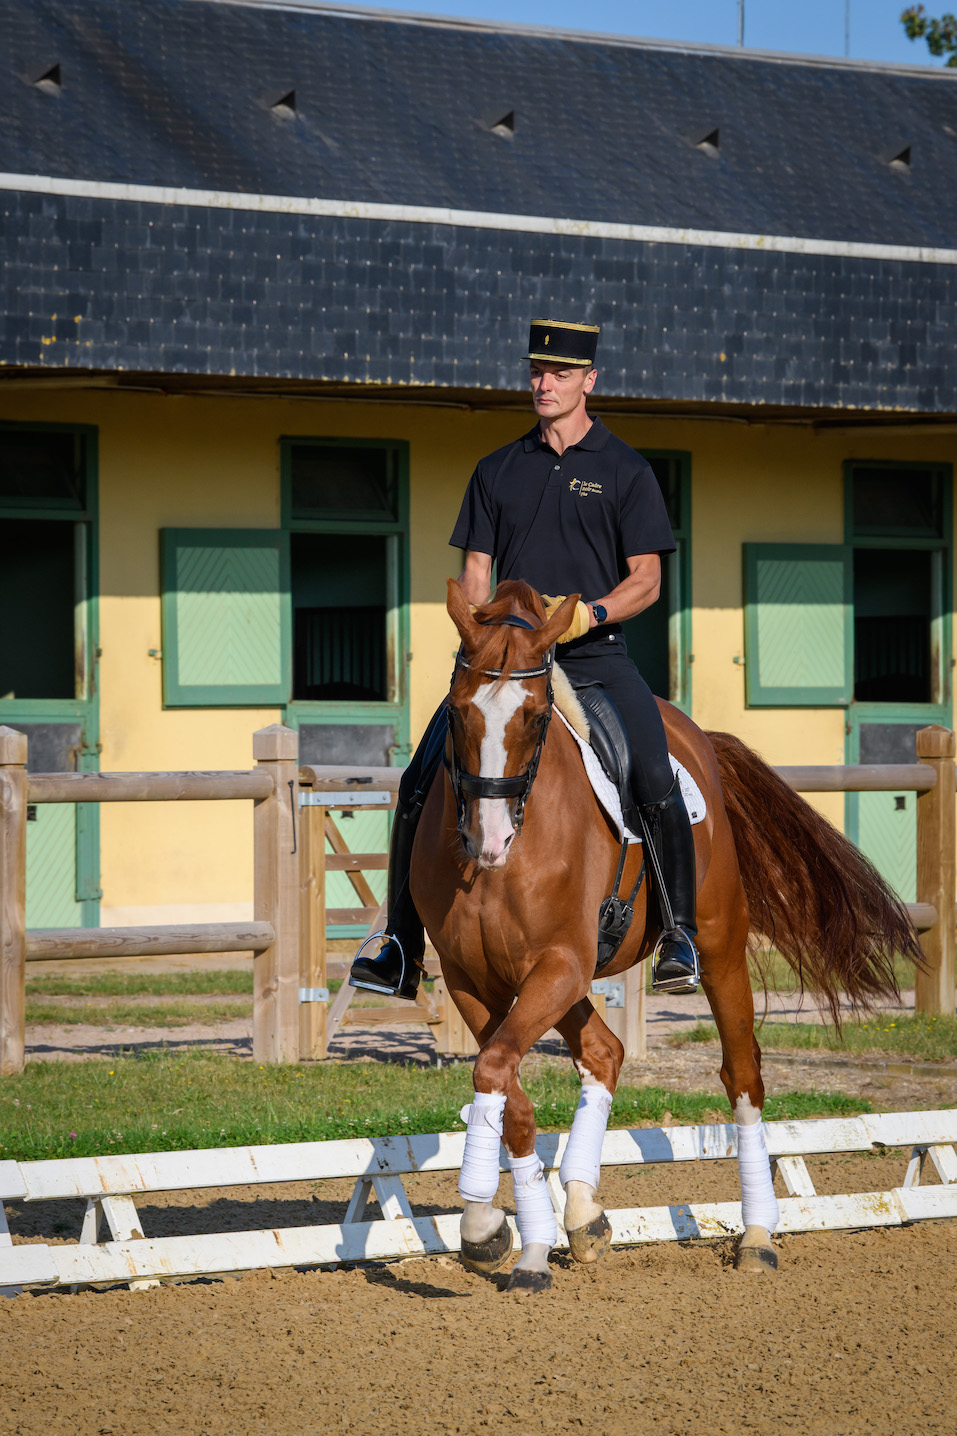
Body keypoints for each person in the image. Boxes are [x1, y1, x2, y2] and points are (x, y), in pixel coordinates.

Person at [349, 318, 699, 1000]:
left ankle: (678, 933)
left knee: (655, 774)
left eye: (560, 374)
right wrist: (478, 634)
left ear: (588, 382)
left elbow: (647, 579)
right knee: (418, 781)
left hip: (592, 656)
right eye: (537, 372)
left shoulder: (626, 470)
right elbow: (475, 569)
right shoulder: (496, 470)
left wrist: (587, 615)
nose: (544, 384)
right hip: (507, 666)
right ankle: (398, 945)